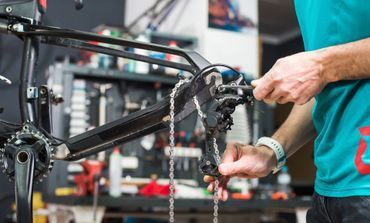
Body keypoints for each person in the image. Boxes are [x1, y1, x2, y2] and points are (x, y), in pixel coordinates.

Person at [205, 1, 370, 222]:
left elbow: (326, 70)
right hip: (327, 191)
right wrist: (271, 152)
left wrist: (322, 66)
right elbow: (331, 90)